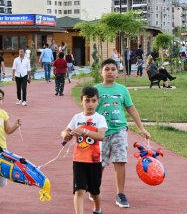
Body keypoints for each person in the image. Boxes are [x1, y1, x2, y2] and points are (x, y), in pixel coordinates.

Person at [94, 58, 151, 208]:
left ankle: (120, 194)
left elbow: (131, 109)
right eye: (106, 69)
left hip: (120, 130)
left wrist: (141, 128)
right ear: (101, 72)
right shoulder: (95, 90)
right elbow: (89, 111)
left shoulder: (122, 90)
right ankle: (94, 187)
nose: (110, 72)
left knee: (120, 161)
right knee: (99, 163)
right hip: (101, 133)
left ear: (117, 72)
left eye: (113, 69)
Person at [61, 86, 108, 214]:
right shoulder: (76, 118)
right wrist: (65, 135)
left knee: (94, 192)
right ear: (81, 101)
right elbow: (65, 130)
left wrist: (84, 131)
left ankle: (97, 209)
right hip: (79, 160)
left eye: (93, 101)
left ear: (98, 101)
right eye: (87, 101)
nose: (90, 104)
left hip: (94, 161)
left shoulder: (100, 119)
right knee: (79, 190)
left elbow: (101, 136)